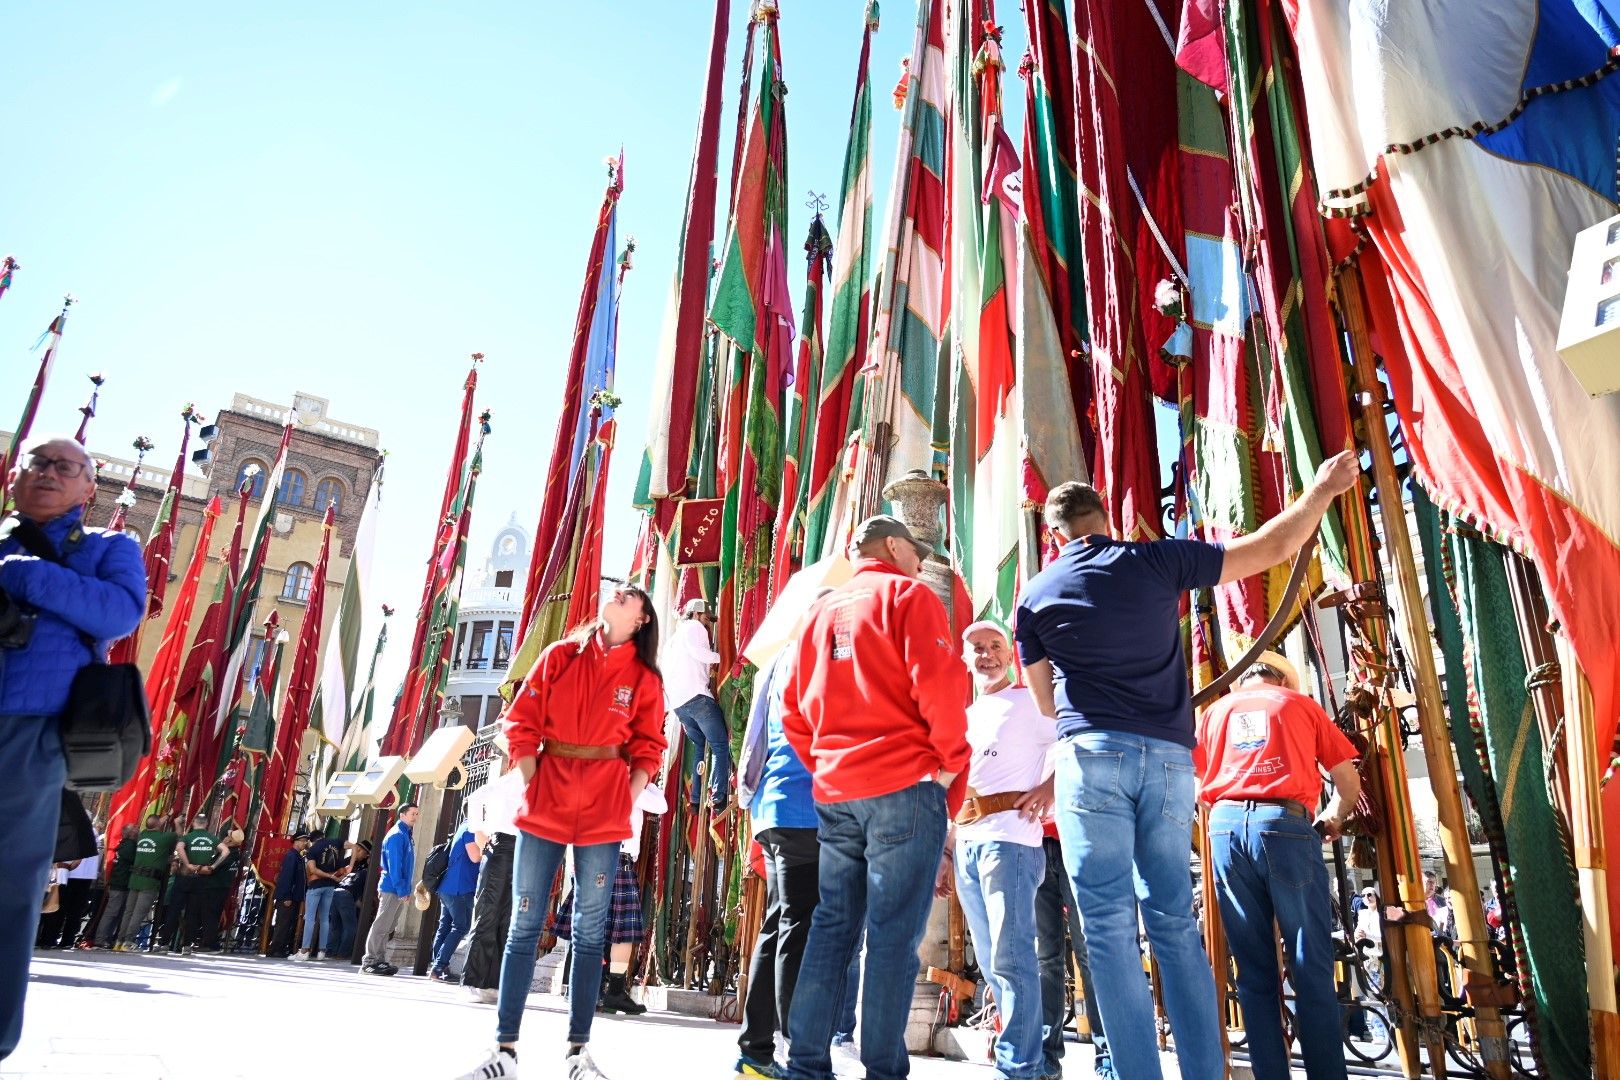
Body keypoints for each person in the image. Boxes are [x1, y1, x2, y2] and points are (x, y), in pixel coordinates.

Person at [1015, 451, 1358, 1080]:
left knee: (1110, 928)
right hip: (1171, 762)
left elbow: (1042, 701)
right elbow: (1273, 544)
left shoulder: (1034, 597)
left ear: (1054, 534)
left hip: (1090, 758)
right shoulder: (1159, 558)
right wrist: (1322, 489)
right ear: (1106, 519)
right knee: (1174, 919)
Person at [781, 515, 972, 1080]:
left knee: (832, 927)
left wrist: (829, 766)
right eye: (915, 552)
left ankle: (806, 1066)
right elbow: (938, 687)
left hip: (837, 790)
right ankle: (884, 1071)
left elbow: (793, 711)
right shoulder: (909, 595)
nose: (920, 562)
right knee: (891, 936)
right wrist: (951, 763)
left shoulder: (816, 612)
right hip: (904, 784)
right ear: (893, 546)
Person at [454, 582, 666, 1080]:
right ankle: (504, 1050)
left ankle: (578, 1053)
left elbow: (650, 747)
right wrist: (533, 778)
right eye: (618, 592)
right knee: (524, 927)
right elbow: (521, 722)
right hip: (544, 804)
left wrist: (626, 796)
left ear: (640, 620)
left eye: (631, 596)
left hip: (603, 812)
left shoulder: (643, 677)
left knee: (591, 934)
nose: (618, 595)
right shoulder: (560, 655)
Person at [0, 435, 145, 1059]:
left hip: (34, 730)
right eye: (36, 463)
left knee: (10, 887)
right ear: (14, 479)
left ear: (90, 488)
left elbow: (117, 614)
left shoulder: (112, 549)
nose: (48, 474)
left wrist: (26, 577)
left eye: (66, 467)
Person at [1196, 652, 1361, 1080]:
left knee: (1253, 969)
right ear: (1284, 681)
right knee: (1310, 961)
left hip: (1225, 826)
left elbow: (1195, 782)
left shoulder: (1214, 713)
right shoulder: (1299, 704)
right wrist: (1334, 816)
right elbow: (1348, 781)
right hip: (1283, 823)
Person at [948, 622, 1057, 1080]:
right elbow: (956, 786)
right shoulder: (966, 713)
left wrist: (1051, 787)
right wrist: (946, 849)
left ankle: (1019, 1068)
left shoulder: (1031, 703)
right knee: (995, 963)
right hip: (969, 843)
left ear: (1010, 655)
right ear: (965, 657)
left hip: (1010, 843)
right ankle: (1029, 1059)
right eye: (977, 648)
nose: (987, 655)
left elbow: (1077, 742)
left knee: (1012, 958)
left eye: (995, 646)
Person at [735, 602, 827, 1080]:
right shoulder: (815, 656)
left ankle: (756, 1050)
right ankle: (800, 1052)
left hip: (772, 808)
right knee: (798, 925)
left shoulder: (777, 660)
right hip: (802, 807)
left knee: (778, 924)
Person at [461, 770, 525, 1003]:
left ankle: (494, 983)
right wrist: (479, 832)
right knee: (488, 912)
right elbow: (475, 798)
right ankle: (474, 981)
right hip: (502, 847)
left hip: (524, 848)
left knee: (508, 918)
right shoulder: (514, 777)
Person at [664, 598, 730, 813]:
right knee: (720, 746)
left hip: (678, 703)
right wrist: (723, 658)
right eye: (705, 619)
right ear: (696, 614)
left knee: (700, 747)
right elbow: (699, 653)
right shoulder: (694, 627)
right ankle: (718, 798)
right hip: (697, 697)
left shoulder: (673, 639)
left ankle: (695, 800)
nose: (707, 624)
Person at [363, 804, 419, 976]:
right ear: (402, 815)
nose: (415, 817)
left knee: (388, 926)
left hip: (398, 887)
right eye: (412, 813)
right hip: (392, 887)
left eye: (417, 814)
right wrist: (403, 890)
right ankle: (370, 961)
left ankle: (379, 960)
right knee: (381, 925)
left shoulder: (405, 834)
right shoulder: (396, 835)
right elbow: (395, 866)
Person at [163, 811, 230, 954]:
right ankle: (187, 945)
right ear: (206, 824)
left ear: (193, 824)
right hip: (201, 878)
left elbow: (179, 847)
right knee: (192, 913)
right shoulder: (212, 838)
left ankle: (163, 944)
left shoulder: (188, 837)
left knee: (174, 910)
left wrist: (187, 864)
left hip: (184, 877)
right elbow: (225, 851)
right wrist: (213, 866)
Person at [428, 822, 485, 981]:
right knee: (461, 926)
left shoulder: (463, 825)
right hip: (460, 887)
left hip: (449, 886)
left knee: (445, 926)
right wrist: (489, 851)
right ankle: (439, 966)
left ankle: (437, 967)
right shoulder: (472, 828)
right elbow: (475, 857)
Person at [115, 814, 177, 952]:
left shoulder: (142, 835)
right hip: (149, 882)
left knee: (128, 912)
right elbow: (177, 834)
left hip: (135, 880)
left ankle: (119, 941)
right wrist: (173, 819)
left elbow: (155, 849)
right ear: (159, 825)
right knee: (138, 913)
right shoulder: (164, 838)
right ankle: (128, 942)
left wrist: (164, 859)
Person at [293, 831, 346, 961]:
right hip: (330, 886)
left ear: (312, 840)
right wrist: (337, 877)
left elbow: (312, 870)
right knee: (324, 918)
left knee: (310, 918)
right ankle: (322, 951)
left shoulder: (313, 849)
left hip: (316, 886)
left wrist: (327, 875)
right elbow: (346, 860)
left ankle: (305, 950)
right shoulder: (335, 845)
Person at [193, 828, 241, 954]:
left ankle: (210, 943)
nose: (224, 839)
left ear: (230, 841)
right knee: (213, 915)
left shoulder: (227, 854)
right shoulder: (236, 854)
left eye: (227, 837)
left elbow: (211, 869)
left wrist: (194, 867)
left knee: (209, 916)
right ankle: (209, 941)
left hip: (214, 887)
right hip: (222, 888)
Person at [95, 824, 141, 949]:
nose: (139, 830)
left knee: (119, 913)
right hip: (120, 883)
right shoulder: (129, 846)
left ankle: (108, 938)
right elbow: (136, 860)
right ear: (131, 833)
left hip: (122, 883)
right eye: (136, 828)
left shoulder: (125, 844)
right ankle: (101, 938)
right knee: (112, 912)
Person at [267, 832, 312, 958]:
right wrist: (287, 896)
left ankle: (281, 948)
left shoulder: (298, 857)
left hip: (294, 897)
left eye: (305, 841)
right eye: (302, 841)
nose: (304, 843)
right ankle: (275, 949)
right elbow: (287, 877)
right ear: (296, 841)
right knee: (283, 924)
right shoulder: (292, 856)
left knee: (288, 923)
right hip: (288, 897)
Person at [327, 839, 372, 962]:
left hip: (337, 893)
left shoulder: (363, 868)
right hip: (345, 895)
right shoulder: (356, 867)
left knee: (335, 925)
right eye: (356, 849)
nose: (358, 853)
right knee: (350, 926)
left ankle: (331, 951)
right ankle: (342, 953)